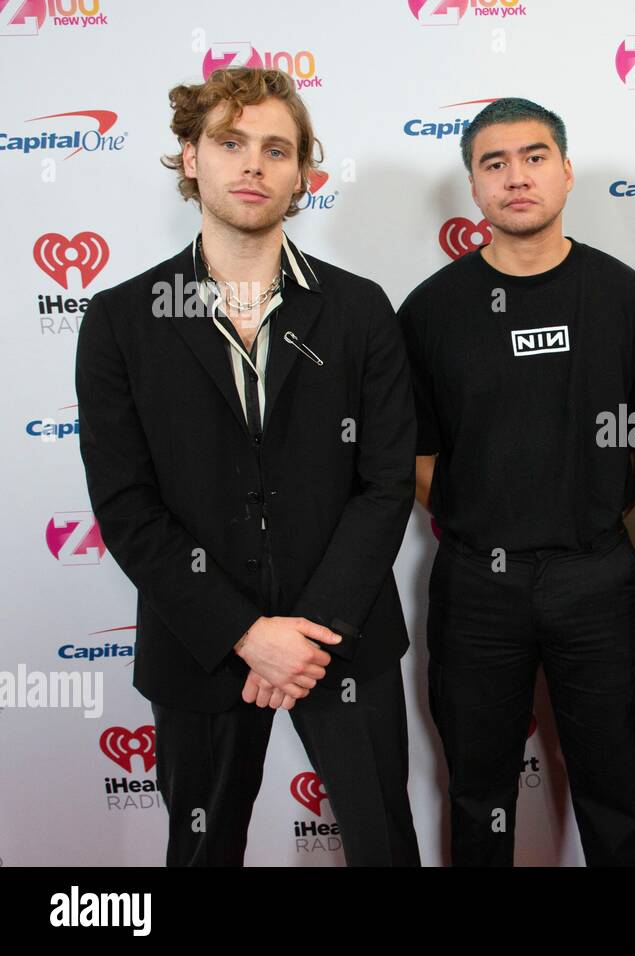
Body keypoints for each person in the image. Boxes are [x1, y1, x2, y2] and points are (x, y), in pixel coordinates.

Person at [75, 67, 420, 866]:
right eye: (230, 143)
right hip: (198, 645)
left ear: (302, 173)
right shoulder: (123, 317)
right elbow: (125, 503)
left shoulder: (359, 307)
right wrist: (242, 633)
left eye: (276, 148)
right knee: (201, 854)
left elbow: (385, 482)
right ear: (191, 159)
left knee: (384, 847)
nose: (253, 165)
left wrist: (310, 632)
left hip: (343, 641)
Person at [399, 98, 635, 866]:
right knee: (478, 791)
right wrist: (491, 520)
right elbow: (417, 458)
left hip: (598, 577)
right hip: (478, 585)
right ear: (474, 189)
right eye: (495, 163)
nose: (517, 177)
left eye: (535, 156)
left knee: (614, 786)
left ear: (567, 171)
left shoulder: (624, 298)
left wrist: (583, 515)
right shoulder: (430, 310)